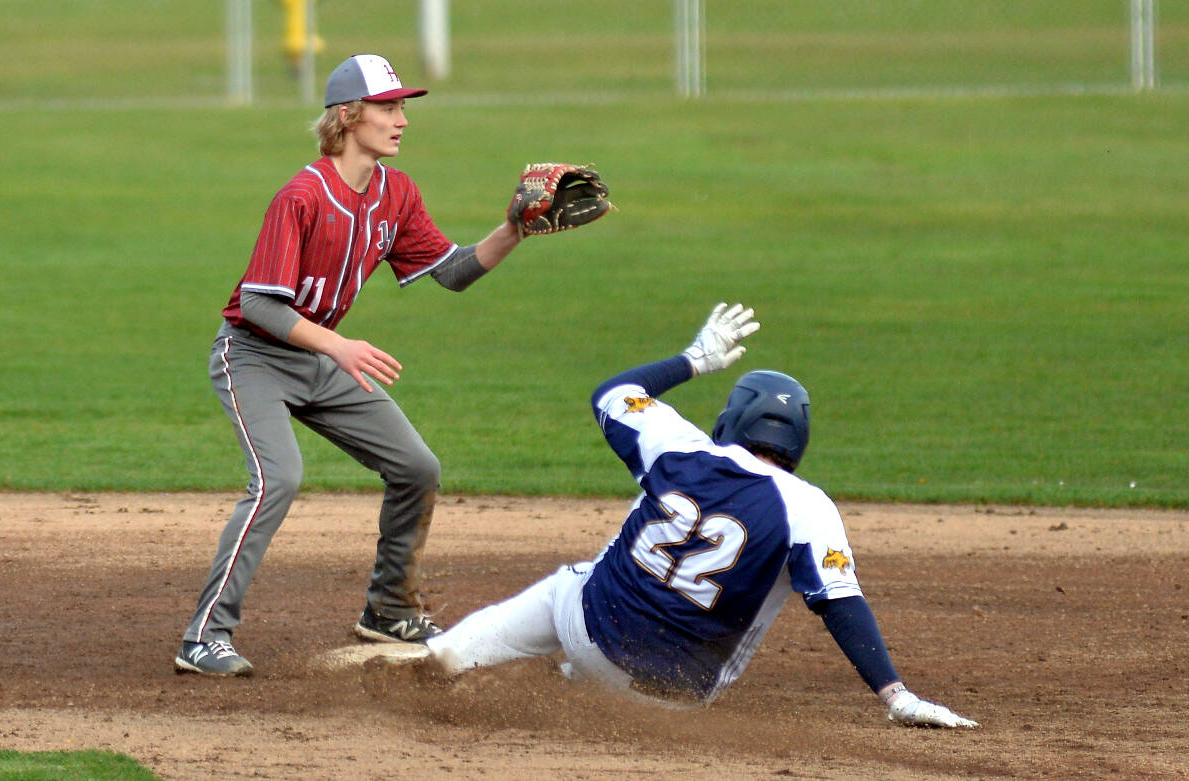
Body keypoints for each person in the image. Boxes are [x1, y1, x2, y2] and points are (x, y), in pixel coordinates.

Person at [347, 303, 978, 727]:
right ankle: (578, 688)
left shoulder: (679, 447)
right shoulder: (810, 509)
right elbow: (841, 605)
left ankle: (452, 658)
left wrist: (696, 359)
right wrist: (896, 696)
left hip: (584, 630)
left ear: (731, 419)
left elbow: (612, 394)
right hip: (674, 702)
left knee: (578, 580)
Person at [175, 54, 525, 677]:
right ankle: (204, 637)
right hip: (253, 356)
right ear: (348, 115)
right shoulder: (302, 195)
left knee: (417, 467)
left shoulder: (397, 193)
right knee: (277, 481)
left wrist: (514, 230)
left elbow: (451, 271)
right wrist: (338, 346)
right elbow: (257, 302)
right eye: (388, 107)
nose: (402, 119)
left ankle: (389, 608)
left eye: (402, 106)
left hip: (318, 358)